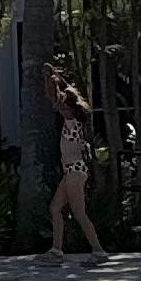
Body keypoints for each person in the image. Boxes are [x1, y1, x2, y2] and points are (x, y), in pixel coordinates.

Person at [41, 59, 104, 257]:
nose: (60, 109)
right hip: (71, 172)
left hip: (75, 172)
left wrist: (52, 79)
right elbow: (62, 96)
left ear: (69, 108)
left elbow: (58, 99)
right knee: (55, 208)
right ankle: (57, 249)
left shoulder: (71, 121)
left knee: (79, 214)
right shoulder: (72, 121)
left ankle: (98, 250)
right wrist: (55, 77)